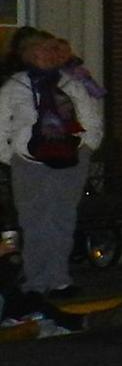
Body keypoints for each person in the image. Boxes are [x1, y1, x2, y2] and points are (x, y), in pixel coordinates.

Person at [0, 31, 103, 298]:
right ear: (28, 55)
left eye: (52, 50)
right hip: (30, 161)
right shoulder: (16, 86)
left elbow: (90, 115)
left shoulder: (71, 82)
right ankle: (35, 281)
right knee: (35, 222)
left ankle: (59, 279)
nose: (49, 55)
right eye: (42, 50)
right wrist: (10, 155)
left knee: (62, 220)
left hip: (70, 158)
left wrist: (87, 146)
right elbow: (1, 123)